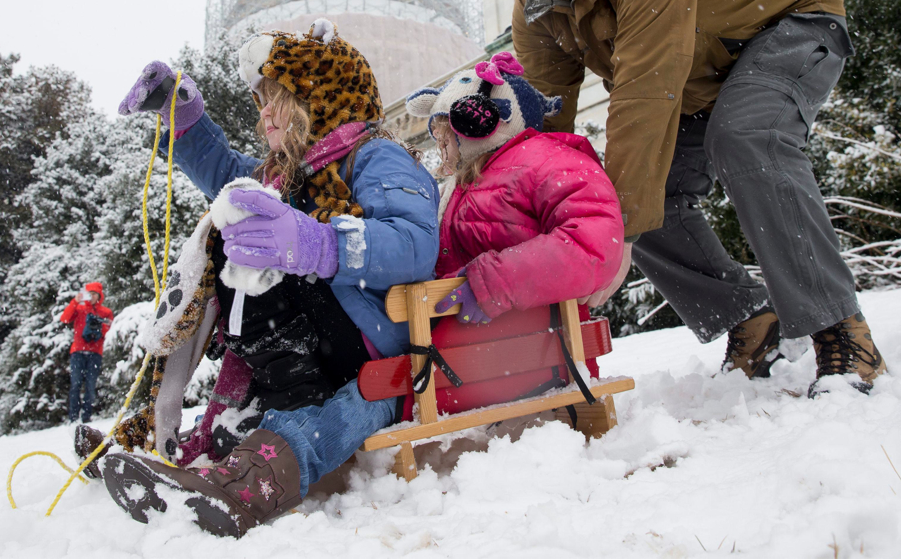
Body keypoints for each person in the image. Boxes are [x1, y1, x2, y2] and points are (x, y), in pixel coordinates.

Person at [100, 52, 627, 538]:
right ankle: (223, 448)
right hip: (458, 342)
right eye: (439, 132)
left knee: (377, 390)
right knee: (379, 379)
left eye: (449, 130)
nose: (442, 146)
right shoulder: (465, 186)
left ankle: (257, 481)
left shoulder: (547, 159)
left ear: (488, 118)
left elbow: (594, 242)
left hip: (525, 346)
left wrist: (493, 279)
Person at [454, 0, 886, 397]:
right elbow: (542, 129)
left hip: (787, 27)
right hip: (696, 80)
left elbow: (647, 80)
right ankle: (751, 321)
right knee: (613, 197)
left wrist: (618, 235)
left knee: (744, 136)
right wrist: (529, 233)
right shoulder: (534, 5)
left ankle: (841, 331)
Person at [59, 282, 113, 424]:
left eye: (95, 294)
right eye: (90, 294)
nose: (92, 297)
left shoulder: (105, 312)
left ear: (99, 296)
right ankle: (73, 417)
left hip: (95, 353)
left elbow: (109, 331)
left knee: (90, 385)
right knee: (75, 384)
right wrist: (75, 301)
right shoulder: (80, 308)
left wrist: (99, 326)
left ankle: (86, 416)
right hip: (78, 352)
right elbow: (64, 318)